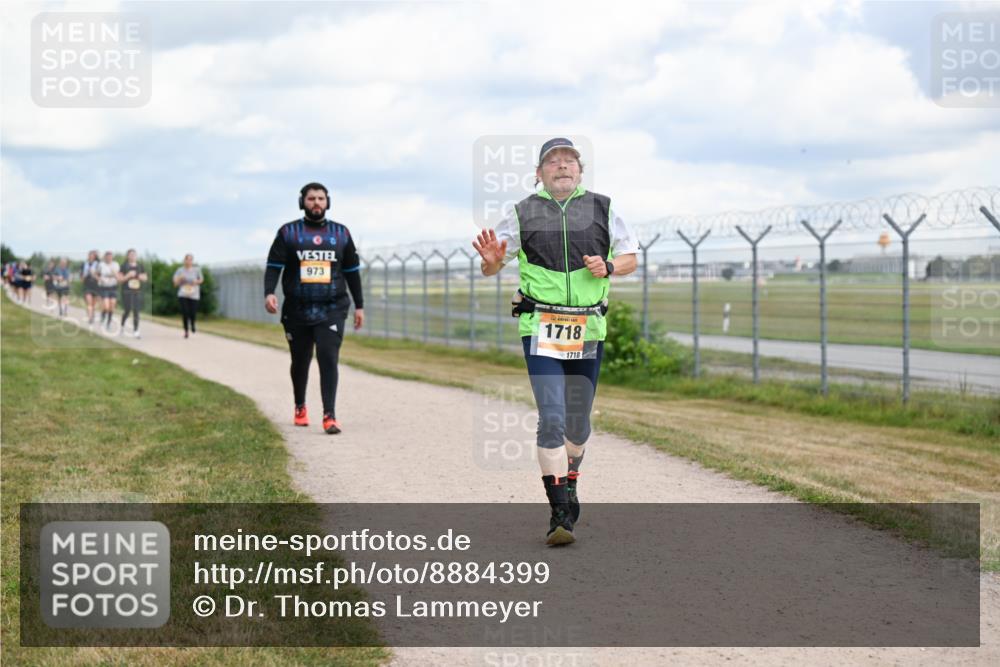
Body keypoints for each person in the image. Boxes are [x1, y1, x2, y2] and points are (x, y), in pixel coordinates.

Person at [473, 138, 638, 546]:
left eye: (569, 161)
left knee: (577, 424)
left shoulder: (604, 208)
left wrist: (610, 266)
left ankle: (572, 479)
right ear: (539, 173)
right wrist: (492, 260)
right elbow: (490, 268)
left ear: (579, 172)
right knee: (552, 416)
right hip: (540, 326)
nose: (562, 166)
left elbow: (632, 257)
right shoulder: (522, 212)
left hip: (587, 329)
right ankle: (559, 509)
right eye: (553, 161)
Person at [264, 182, 364, 435]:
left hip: (332, 307)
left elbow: (352, 273)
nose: (316, 203)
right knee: (300, 360)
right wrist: (269, 293)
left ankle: (329, 415)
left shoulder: (341, 234)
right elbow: (274, 266)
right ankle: (300, 406)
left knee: (328, 357)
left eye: (320, 198)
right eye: (311, 199)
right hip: (297, 309)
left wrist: (360, 306)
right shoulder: (288, 233)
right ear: (302, 202)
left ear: (327, 202)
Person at [173, 254, 203, 338]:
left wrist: (196, 281)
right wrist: (180, 278)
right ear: (184, 260)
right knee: (185, 312)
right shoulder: (179, 270)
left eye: (190, 260)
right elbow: (175, 283)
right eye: (187, 259)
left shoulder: (197, 270)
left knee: (193, 312)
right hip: (183, 294)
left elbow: (201, 280)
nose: (189, 261)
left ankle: (193, 323)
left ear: (192, 261)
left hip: (194, 294)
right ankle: (186, 331)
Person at [118, 249, 147, 337]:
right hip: (126, 291)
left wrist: (137, 275)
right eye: (131, 254)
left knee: (136, 311)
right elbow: (120, 280)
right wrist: (128, 275)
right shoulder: (123, 266)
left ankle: (136, 331)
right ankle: (122, 326)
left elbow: (145, 278)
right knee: (127, 310)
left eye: (134, 254)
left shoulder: (140, 266)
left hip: (137, 291)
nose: (133, 256)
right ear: (128, 256)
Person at [96, 251, 120, 331]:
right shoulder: (101, 265)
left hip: (113, 287)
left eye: (110, 256)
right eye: (107, 256)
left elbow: (118, 275)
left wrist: (113, 272)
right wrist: (99, 279)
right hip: (104, 287)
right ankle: (103, 316)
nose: (109, 258)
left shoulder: (116, 264)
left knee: (112, 306)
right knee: (106, 307)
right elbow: (97, 274)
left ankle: (108, 324)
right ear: (105, 257)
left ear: (112, 257)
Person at [81, 250, 101, 327]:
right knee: (89, 303)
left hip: (96, 286)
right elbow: (82, 279)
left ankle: (92, 314)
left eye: (93, 255)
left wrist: (93, 274)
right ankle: (90, 318)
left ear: (95, 257)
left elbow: (100, 278)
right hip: (87, 286)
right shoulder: (84, 264)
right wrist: (86, 274)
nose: (91, 256)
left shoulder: (98, 265)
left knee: (93, 304)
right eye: (90, 255)